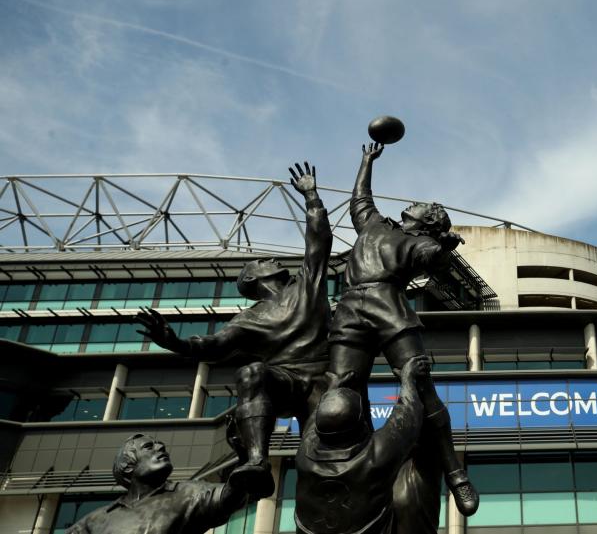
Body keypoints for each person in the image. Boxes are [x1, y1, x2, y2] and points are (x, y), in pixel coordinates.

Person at [136, 161, 332, 498]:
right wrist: (174, 342)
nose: (273, 260)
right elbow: (212, 345)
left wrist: (311, 196)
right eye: (265, 262)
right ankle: (256, 462)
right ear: (255, 278)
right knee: (251, 373)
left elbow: (319, 240)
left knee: (322, 458)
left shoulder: (306, 286)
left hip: (325, 379)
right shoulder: (248, 319)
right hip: (286, 382)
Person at [324, 142, 478, 515]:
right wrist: (366, 161)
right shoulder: (375, 224)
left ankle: (455, 473)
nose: (415, 202)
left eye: (423, 204)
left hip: (388, 306)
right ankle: (343, 471)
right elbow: (360, 199)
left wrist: (444, 244)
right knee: (339, 389)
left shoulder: (421, 243)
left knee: (421, 385)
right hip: (349, 309)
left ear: (427, 221)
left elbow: (436, 260)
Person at [295, 355, 432, 534]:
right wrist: (408, 379)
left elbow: (314, 422)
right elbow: (409, 413)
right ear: (361, 423)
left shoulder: (304, 456)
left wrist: (332, 388)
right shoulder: (375, 456)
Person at [66, 434, 249, 534]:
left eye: (160, 445)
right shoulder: (96, 520)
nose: (160, 448)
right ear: (127, 466)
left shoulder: (188, 492)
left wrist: (246, 458)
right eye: (148, 447)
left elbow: (230, 496)